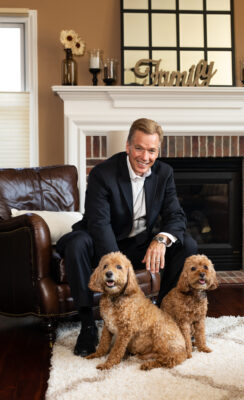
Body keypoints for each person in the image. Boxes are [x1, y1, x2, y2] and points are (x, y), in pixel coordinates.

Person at [56, 118, 197, 357]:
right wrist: (119, 266)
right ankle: (88, 325)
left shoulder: (164, 173)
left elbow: (176, 215)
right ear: (128, 147)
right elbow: (99, 223)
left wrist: (161, 240)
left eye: (152, 150)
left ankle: (163, 315)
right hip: (98, 239)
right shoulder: (103, 173)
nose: (145, 157)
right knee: (77, 243)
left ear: (158, 151)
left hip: (137, 243)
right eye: (139, 148)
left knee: (187, 244)